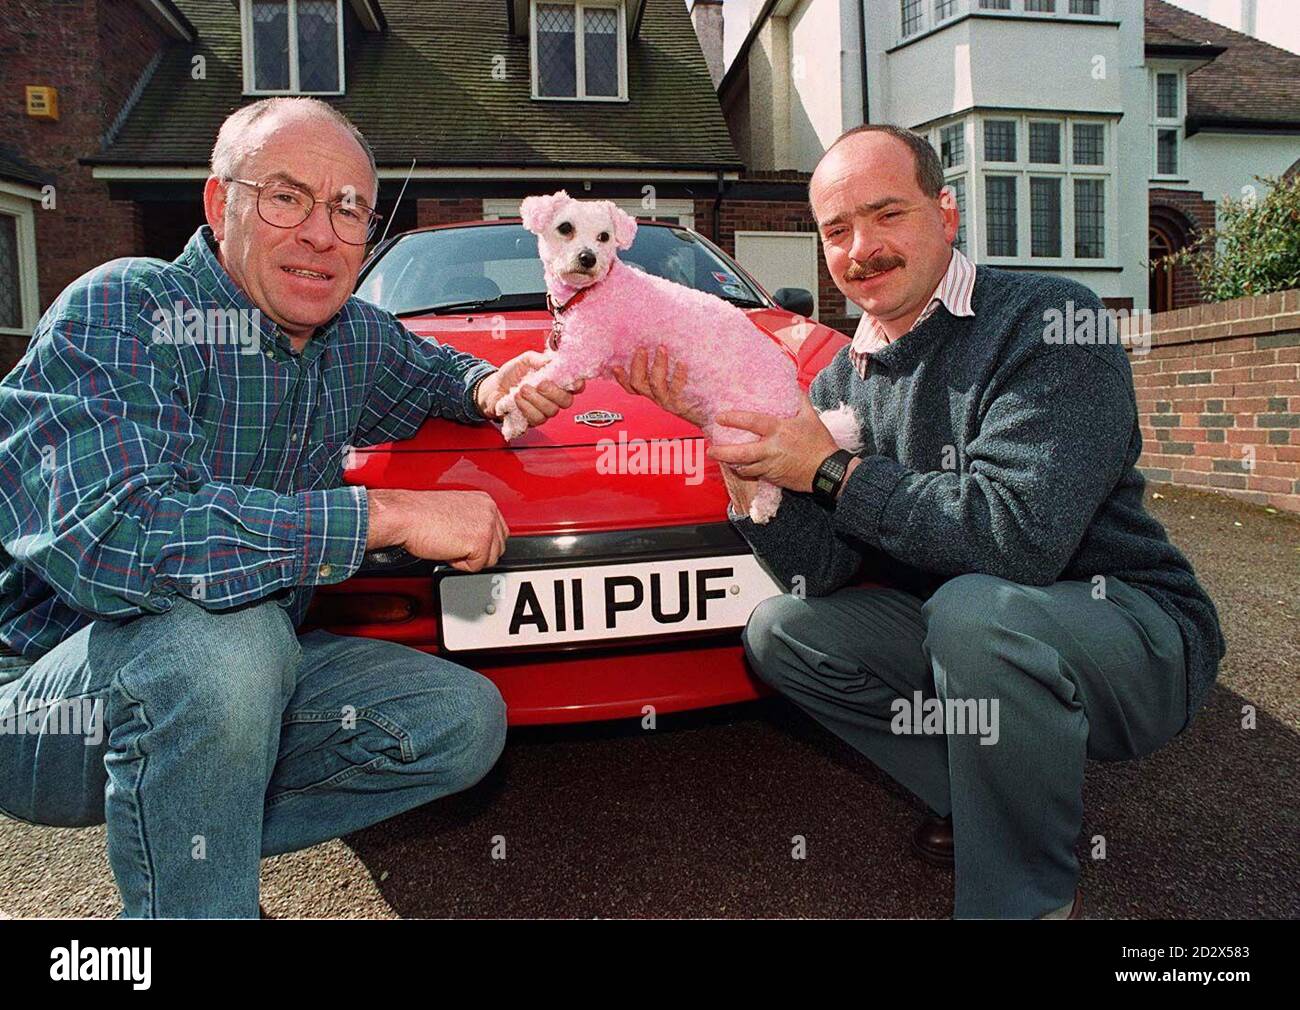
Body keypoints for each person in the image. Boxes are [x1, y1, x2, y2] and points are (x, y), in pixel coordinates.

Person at [614, 124, 1225, 919]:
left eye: (885, 214)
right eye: (836, 231)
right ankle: (990, 800)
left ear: (946, 212)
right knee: (784, 630)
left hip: (1132, 634)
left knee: (974, 609)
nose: (861, 248)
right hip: (976, 631)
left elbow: (1019, 539)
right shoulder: (842, 375)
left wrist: (830, 469)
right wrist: (741, 462)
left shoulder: (1047, 319)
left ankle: (1022, 900)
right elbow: (822, 573)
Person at [0, 97, 578, 918]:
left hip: (244, 670)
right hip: (48, 703)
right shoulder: (125, 308)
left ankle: (194, 839)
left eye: (348, 209)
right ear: (218, 203)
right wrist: (381, 515)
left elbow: (434, 371)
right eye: (285, 196)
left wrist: (488, 385)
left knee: (458, 719)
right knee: (223, 639)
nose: (320, 232)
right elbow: (116, 539)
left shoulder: (350, 336)